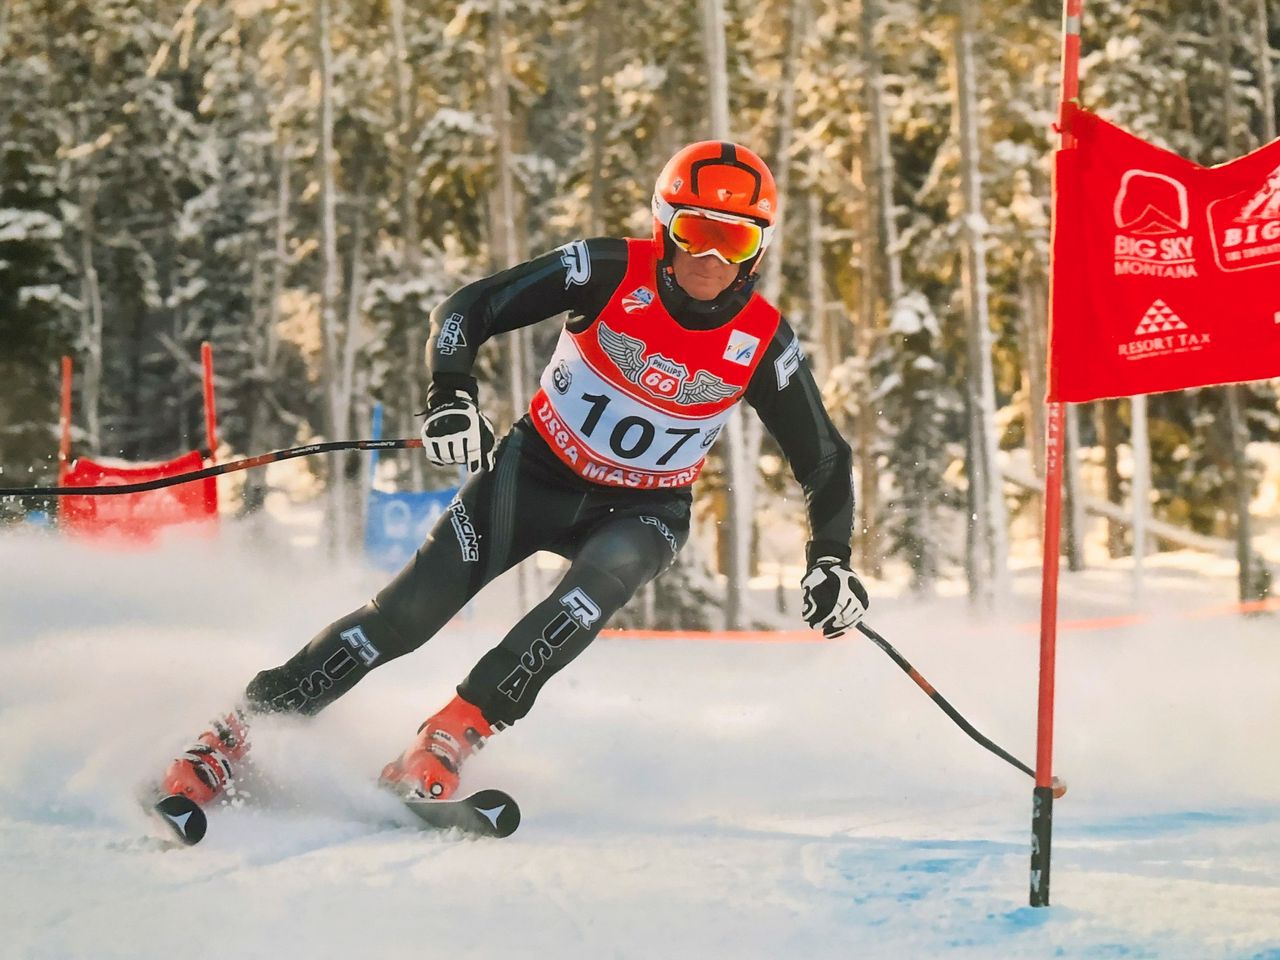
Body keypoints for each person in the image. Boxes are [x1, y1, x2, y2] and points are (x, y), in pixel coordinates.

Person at [161, 140, 870, 807]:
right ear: (664, 225)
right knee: (407, 615)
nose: (711, 256)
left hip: (643, 510)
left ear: (759, 250)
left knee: (591, 594)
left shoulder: (762, 340)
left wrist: (831, 559)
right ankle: (240, 731)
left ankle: (451, 733)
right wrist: (451, 394)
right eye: (695, 230)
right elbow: (468, 308)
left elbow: (826, 460)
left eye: (736, 238)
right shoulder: (605, 269)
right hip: (533, 476)